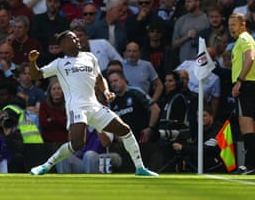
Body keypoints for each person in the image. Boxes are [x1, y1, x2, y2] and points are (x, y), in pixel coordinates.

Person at [27, 30, 158, 176]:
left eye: (77, 38)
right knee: (77, 144)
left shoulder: (89, 57)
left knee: (125, 130)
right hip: (76, 107)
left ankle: (140, 168)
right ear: (63, 45)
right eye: (72, 38)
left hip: (94, 105)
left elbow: (100, 78)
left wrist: (106, 91)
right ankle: (45, 166)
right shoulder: (60, 64)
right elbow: (36, 75)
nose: (77, 40)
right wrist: (32, 62)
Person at [228, 13, 255, 174]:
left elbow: (250, 58)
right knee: (253, 127)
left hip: (246, 84)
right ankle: (253, 165)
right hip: (250, 85)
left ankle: (249, 165)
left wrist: (240, 81)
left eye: (234, 25)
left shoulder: (244, 39)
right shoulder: (245, 39)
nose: (231, 28)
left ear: (243, 24)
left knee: (246, 125)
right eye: (229, 25)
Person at [108, 70, 161, 143]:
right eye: (111, 82)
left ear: (123, 79)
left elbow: (155, 109)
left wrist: (150, 128)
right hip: (126, 142)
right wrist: (116, 135)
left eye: (115, 80)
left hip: (143, 139)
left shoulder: (135, 92)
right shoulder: (112, 101)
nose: (113, 84)